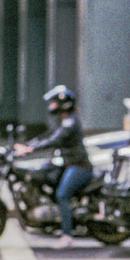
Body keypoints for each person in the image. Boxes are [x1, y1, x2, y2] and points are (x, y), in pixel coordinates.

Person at [14, 85, 92, 248]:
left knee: (62, 195)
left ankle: (67, 236)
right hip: (68, 165)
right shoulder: (62, 120)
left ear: (65, 103)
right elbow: (47, 136)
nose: (52, 106)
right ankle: (59, 223)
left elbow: (55, 139)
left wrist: (31, 149)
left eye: (55, 102)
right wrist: (27, 145)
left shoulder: (69, 122)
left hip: (79, 167)